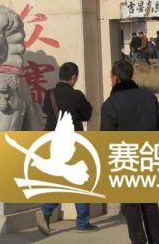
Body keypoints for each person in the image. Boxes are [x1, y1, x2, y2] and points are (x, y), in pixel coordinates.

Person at [101, 60, 159, 244]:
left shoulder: (110, 104)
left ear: (115, 78)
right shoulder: (150, 98)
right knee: (150, 203)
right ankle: (155, 240)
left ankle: (139, 241)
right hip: (148, 157)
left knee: (131, 206)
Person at [36, 62, 98, 235]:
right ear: (74, 77)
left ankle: (47, 210)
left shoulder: (49, 94)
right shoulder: (77, 95)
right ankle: (81, 222)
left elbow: (47, 112)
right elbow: (87, 115)